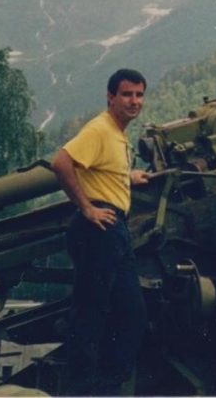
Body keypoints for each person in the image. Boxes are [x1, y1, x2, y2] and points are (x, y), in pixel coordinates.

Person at [51, 68, 150, 396]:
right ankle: (80, 390)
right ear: (110, 97)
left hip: (114, 229)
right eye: (126, 94)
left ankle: (105, 387)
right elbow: (62, 163)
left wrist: (128, 177)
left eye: (138, 95)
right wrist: (86, 207)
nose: (133, 101)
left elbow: (101, 170)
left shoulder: (117, 134)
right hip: (100, 229)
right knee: (92, 313)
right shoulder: (101, 129)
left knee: (131, 311)